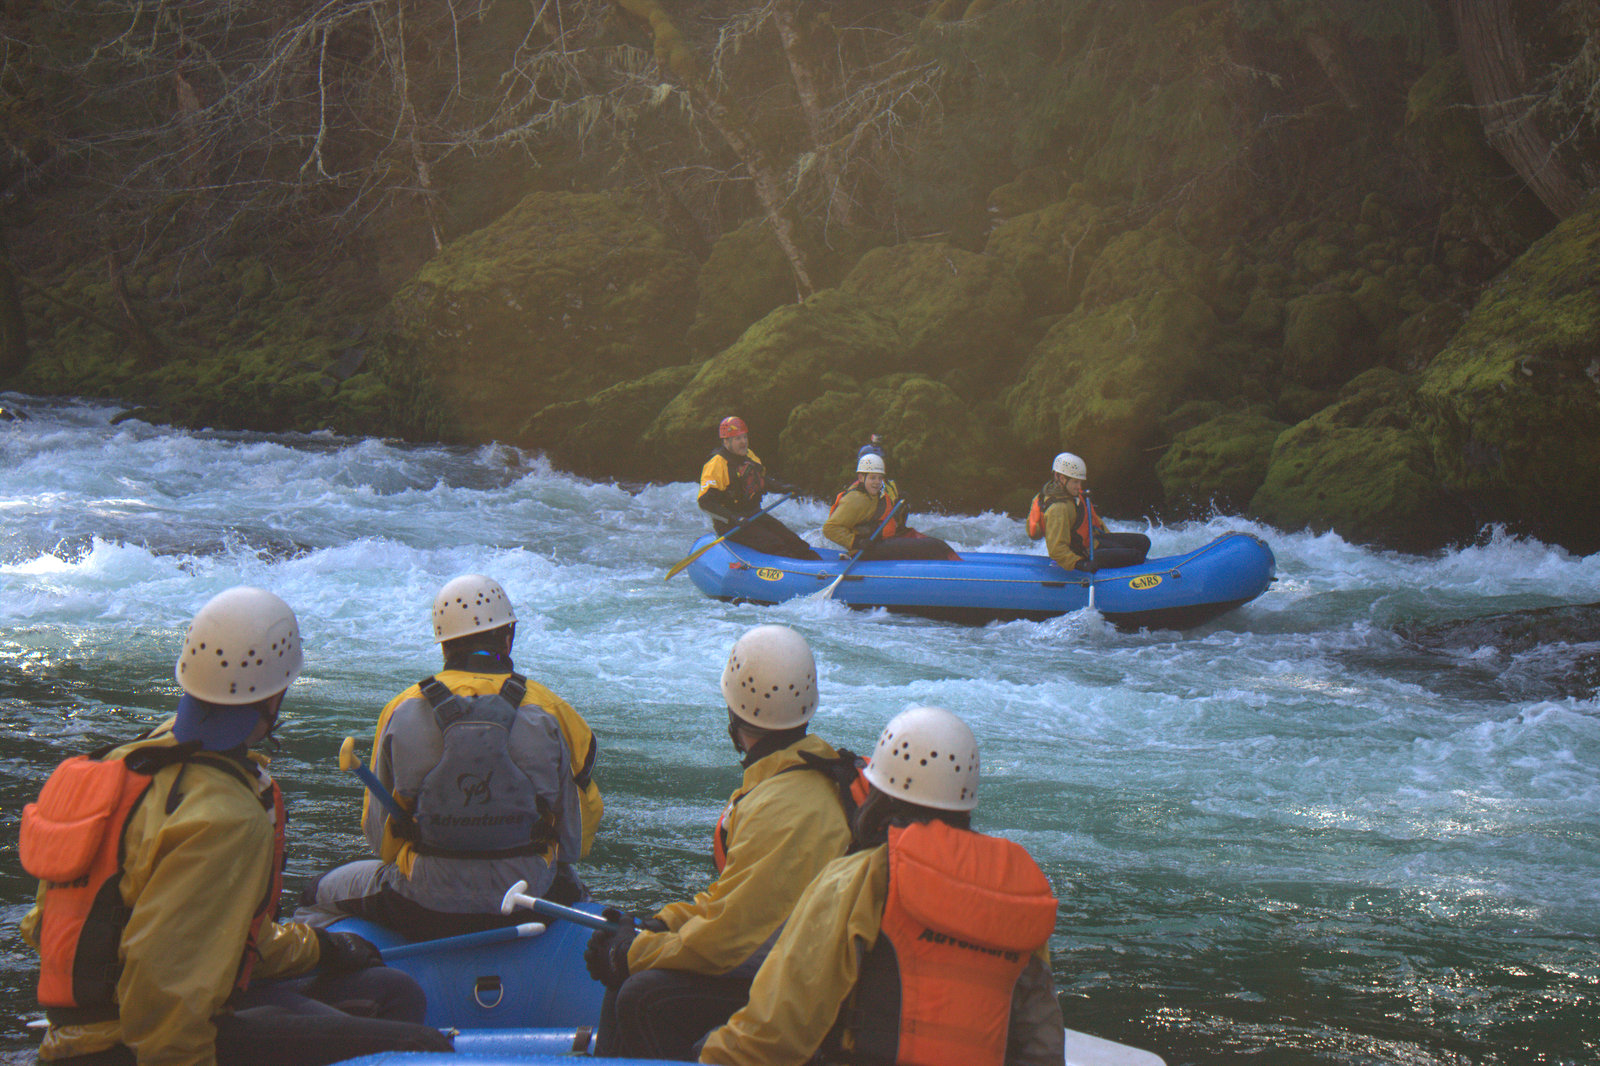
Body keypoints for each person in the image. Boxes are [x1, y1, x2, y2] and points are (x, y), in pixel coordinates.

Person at [19, 587, 451, 1066]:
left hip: (79, 1032)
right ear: (276, 693)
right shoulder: (227, 816)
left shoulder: (126, 763)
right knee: (417, 1042)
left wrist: (321, 948)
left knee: (388, 989)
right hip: (136, 1046)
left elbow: (49, 928)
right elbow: (165, 996)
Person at [700, 706, 1064, 1066]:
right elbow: (1042, 1044)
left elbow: (779, 1029)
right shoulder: (1016, 892)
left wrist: (710, 1056)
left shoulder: (860, 877)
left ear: (878, 791)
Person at [584, 625, 859, 1061]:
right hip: (813, 972)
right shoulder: (811, 773)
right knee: (634, 976)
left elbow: (729, 942)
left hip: (812, 993)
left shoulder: (781, 805)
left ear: (734, 711)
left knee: (640, 994)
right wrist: (665, 922)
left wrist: (634, 953)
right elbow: (735, 899)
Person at [296, 573, 602, 940]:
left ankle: (333, 960)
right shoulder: (555, 713)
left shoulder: (401, 710)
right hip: (529, 897)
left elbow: (380, 838)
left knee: (314, 895)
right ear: (508, 636)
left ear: (444, 645)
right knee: (577, 890)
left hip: (421, 902)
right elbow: (574, 839)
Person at [698, 415, 819, 561]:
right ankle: (792, 570)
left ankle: (816, 566)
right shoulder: (716, 465)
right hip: (732, 524)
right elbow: (705, 502)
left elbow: (761, 481)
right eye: (737, 439)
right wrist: (733, 518)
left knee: (795, 542)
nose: (743, 442)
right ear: (726, 442)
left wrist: (784, 488)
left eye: (744, 437)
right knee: (775, 545)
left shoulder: (749, 456)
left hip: (754, 514)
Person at [1027, 451, 1150, 572]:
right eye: (1076, 482)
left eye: (1080, 481)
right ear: (1062, 479)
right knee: (1136, 555)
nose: (1079, 486)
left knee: (1143, 542)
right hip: (1081, 555)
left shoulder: (1072, 495)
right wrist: (1081, 564)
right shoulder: (1058, 508)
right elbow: (1056, 549)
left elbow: (1095, 522)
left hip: (1091, 543)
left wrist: (1112, 541)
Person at [823, 454, 959, 562]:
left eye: (880, 478)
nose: (877, 482)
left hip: (880, 543)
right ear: (861, 477)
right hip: (866, 550)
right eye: (872, 478)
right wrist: (857, 542)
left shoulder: (875, 494)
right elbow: (830, 528)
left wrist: (900, 500)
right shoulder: (855, 499)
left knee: (937, 545)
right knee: (934, 546)